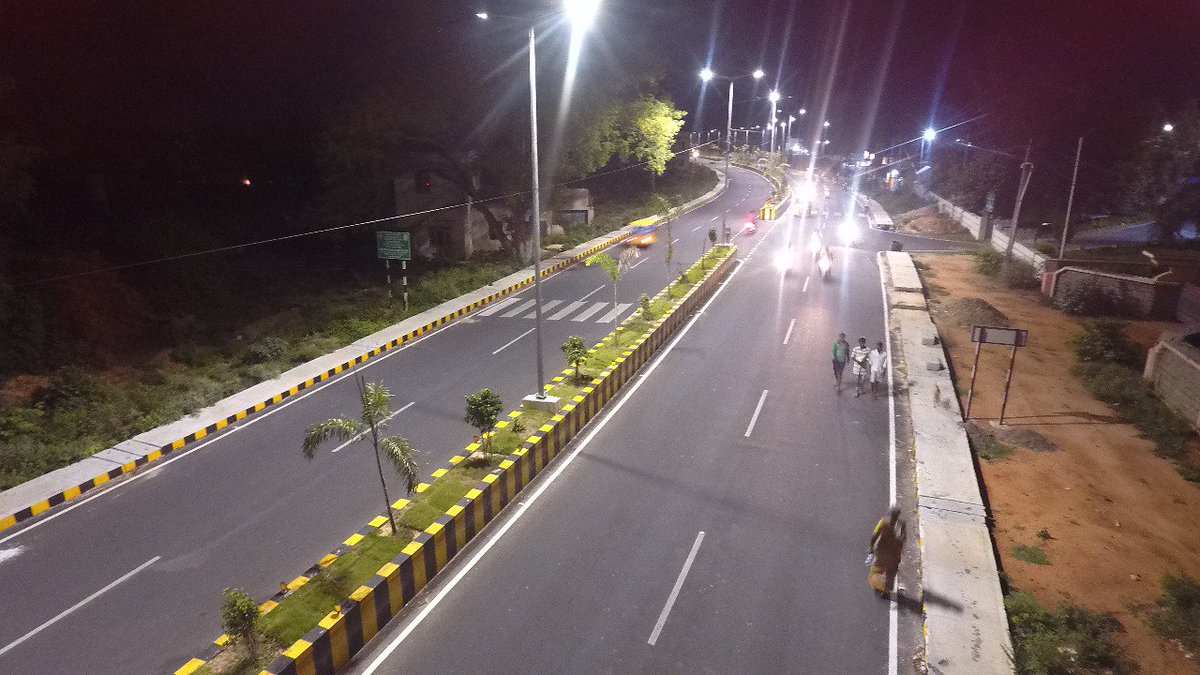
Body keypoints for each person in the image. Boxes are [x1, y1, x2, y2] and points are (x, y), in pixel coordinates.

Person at [867, 506, 906, 597]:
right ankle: (886, 590)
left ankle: (878, 585)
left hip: (882, 552)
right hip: (895, 554)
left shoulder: (884, 522)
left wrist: (871, 547)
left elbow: (875, 535)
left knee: (876, 571)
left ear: (891, 514)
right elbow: (904, 538)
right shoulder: (902, 525)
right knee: (891, 573)